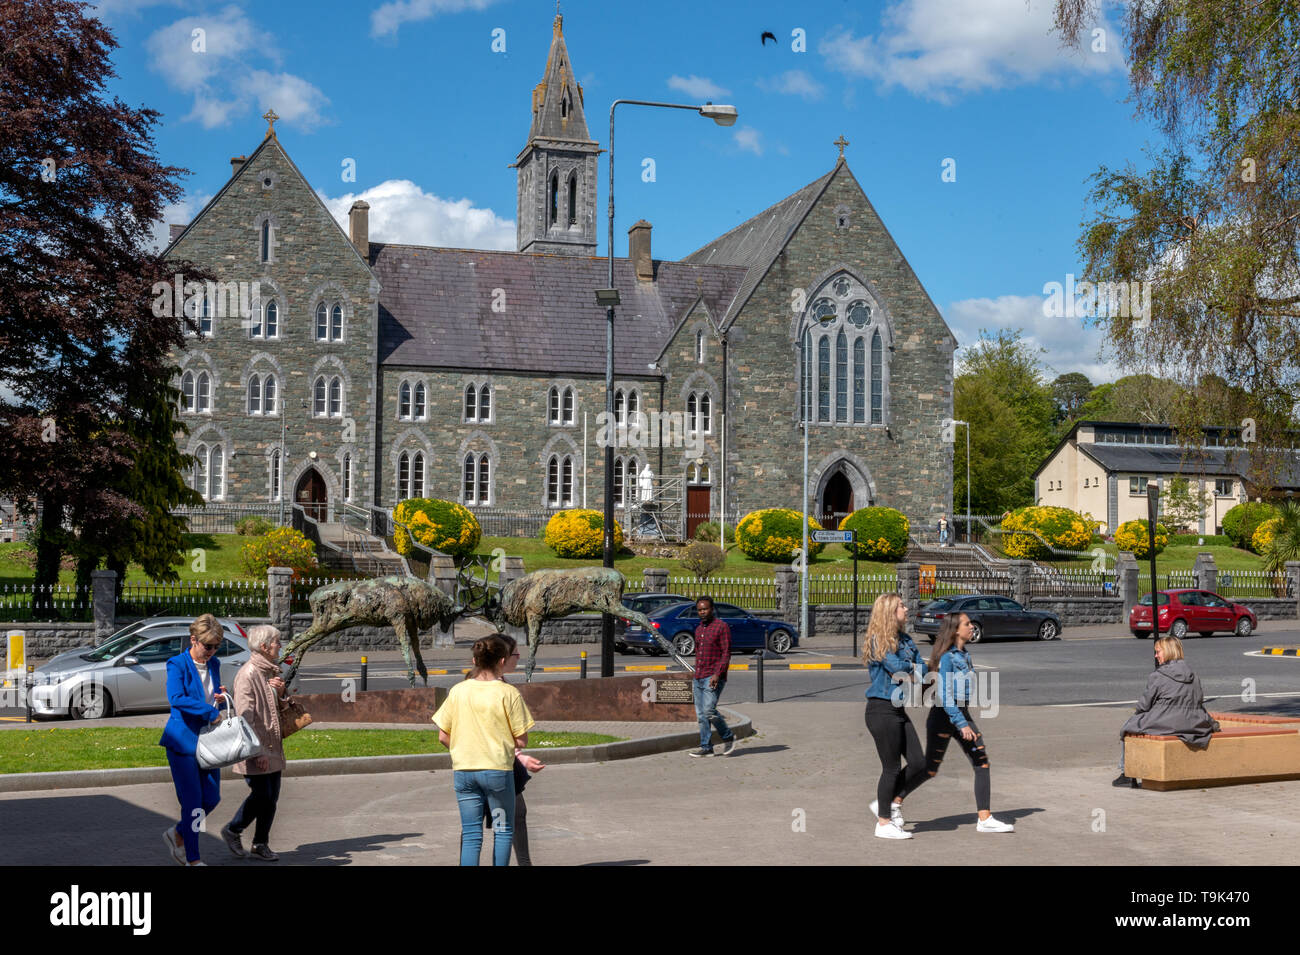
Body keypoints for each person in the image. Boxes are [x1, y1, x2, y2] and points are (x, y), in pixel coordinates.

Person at [433, 635, 535, 865]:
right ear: (501, 661)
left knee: (471, 835)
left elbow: (443, 736)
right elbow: (521, 740)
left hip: (464, 773)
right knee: (502, 830)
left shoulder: (458, 691)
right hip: (497, 773)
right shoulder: (508, 693)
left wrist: (466, 747)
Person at [924, 613, 1014, 832]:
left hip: (959, 713)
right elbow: (944, 695)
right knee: (928, 769)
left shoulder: (965, 655)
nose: (972, 626)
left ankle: (984, 819)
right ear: (956, 630)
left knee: (981, 761)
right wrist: (961, 723)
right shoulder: (947, 658)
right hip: (944, 716)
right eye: (967, 624)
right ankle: (892, 802)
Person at [158, 614, 228, 865]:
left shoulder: (215, 664)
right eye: (207, 646)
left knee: (211, 799)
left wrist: (219, 698)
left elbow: (210, 694)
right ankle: (193, 858)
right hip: (183, 743)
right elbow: (176, 698)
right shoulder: (177, 664)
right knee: (193, 804)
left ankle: (178, 833)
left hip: (209, 742)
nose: (211, 651)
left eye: (216, 646)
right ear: (193, 640)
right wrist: (209, 711)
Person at [862, 592, 927, 840]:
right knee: (891, 768)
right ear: (890, 611)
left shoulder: (906, 639)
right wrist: (909, 668)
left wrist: (910, 668)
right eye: (902, 606)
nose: (907, 609)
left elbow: (921, 669)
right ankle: (883, 823)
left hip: (897, 709)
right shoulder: (880, 639)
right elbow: (899, 668)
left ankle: (890, 801)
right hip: (880, 709)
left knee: (920, 763)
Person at [477, 635, 546, 866]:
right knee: (507, 819)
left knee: (485, 824)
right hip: (496, 764)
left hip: (485, 762)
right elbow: (512, 735)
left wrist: (521, 758)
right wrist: (519, 753)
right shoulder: (499, 689)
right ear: (503, 658)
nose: (518, 659)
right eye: (516, 654)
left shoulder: (475, 684)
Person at [1114, 635, 1218, 788]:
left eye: (1158, 652)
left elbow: (1144, 705)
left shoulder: (1158, 675)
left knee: (1129, 726)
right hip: (1193, 723)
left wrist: (1142, 713)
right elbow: (1199, 700)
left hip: (1165, 722)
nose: (1156, 656)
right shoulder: (1194, 676)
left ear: (1168, 652)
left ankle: (1127, 773)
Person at [222, 625, 287, 861]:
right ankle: (233, 829)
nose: (280, 646)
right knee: (261, 796)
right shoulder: (248, 675)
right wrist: (255, 752)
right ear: (264, 647)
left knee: (271, 798)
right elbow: (245, 718)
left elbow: (275, 709)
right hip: (257, 749)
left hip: (272, 745)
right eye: (277, 642)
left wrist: (281, 694)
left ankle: (260, 843)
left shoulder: (271, 671)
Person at [688, 595, 736, 757]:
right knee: (701, 715)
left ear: (712, 609)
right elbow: (699, 653)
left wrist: (717, 674)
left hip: (713, 676)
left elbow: (726, 653)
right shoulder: (699, 629)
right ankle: (706, 746)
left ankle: (728, 737)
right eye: (699, 609)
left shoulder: (721, 627)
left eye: (705, 609)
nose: (702, 612)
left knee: (709, 710)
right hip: (699, 676)